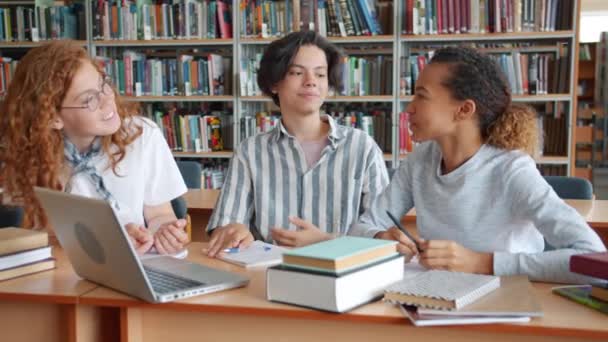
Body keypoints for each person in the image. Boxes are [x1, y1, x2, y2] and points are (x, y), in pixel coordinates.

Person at [350, 46, 606, 284]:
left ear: (464, 109)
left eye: (421, 96)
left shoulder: (512, 170)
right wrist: (380, 238)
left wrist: (482, 262)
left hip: (506, 300)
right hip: (438, 296)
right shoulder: (420, 161)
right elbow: (361, 227)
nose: (409, 108)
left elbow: (593, 259)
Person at [205, 31, 389, 257]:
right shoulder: (250, 152)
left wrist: (327, 241)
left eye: (320, 75)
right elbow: (225, 227)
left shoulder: (362, 147)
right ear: (274, 83)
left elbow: (383, 237)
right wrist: (234, 233)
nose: (311, 81)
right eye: (297, 72)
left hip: (344, 276)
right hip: (268, 274)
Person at [0, 41, 189, 255]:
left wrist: (163, 231)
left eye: (104, 84)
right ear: (53, 118)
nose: (108, 100)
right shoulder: (31, 152)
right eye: (89, 99)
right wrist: (106, 238)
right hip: (66, 271)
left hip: (134, 265)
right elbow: (40, 234)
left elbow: (159, 215)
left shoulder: (142, 136)